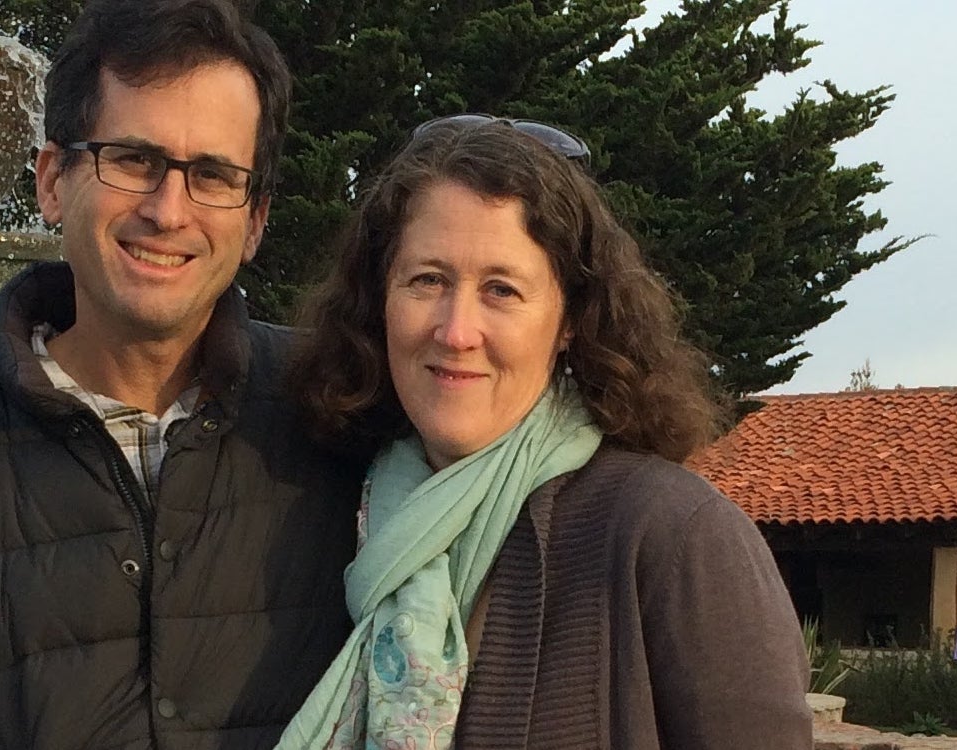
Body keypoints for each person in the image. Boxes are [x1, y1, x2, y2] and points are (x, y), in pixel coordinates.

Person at [0, 1, 363, 747]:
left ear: (254, 221)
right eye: (133, 159)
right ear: (54, 181)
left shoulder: (338, 409)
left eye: (214, 175)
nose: (167, 210)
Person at [278, 116, 813, 749]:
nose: (456, 331)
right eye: (428, 280)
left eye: (501, 290)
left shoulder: (675, 535)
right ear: (379, 300)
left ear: (568, 322)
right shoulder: (331, 515)